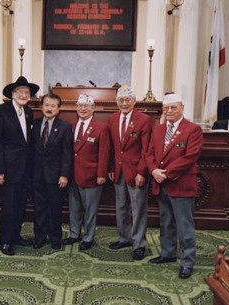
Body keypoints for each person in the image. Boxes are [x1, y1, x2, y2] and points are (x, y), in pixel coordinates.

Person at [146, 93, 203, 279]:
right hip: (161, 183)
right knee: (166, 222)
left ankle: (187, 262)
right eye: (166, 108)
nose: (169, 111)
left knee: (184, 225)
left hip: (181, 184)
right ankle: (168, 253)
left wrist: (166, 174)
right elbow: (149, 154)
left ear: (182, 108)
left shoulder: (193, 129)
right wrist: (154, 170)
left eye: (173, 108)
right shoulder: (157, 130)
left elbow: (190, 157)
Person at [0, 76, 39, 256]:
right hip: (7, 169)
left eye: (26, 92)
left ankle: (15, 235)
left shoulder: (28, 112)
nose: (23, 95)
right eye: (20, 92)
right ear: (12, 94)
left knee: (20, 205)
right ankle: (5, 240)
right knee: (8, 206)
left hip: (24, 169)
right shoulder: (0, 111)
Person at [107, 86, 152, 260]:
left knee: (138, 209)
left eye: (127, 100)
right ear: (117, 102)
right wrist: (111, 168)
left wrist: (142, 172)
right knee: (121, 207)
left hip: (136, 172)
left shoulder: (144, 119)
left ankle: (139, 244)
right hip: (118, 171)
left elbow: (146, 149)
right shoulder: (112, 119)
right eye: (121, 100)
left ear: (134, 101)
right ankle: (124, 238)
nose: (124, 103)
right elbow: (112, 147)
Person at [63, 94, 110, 251]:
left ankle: (88, 237)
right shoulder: (70, 126)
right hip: (72, 176)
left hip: (92, 177)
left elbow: (104, 153)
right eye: (80, 106)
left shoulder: (101, 128)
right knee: (73, 207)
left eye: (86, 106)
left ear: (93, 109)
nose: (83, 109)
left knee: (90, 209)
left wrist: (102, 174)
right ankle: (74, 234)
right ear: (76, 108)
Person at [32, 93, 73, 250]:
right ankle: (39, 237)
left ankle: (55, 237)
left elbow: (67, 154)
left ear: (58, 109)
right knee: (39, 207)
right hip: (36, 175)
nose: (49, 109)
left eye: (53, 106)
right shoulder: (34, 125)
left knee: (55, 208)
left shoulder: (65, 127)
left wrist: (64, 175)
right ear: (42, 106)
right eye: (46, 105)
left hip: (56, 176)